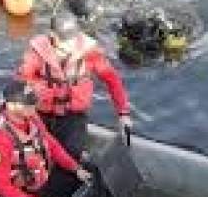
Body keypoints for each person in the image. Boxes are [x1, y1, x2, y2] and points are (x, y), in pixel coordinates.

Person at [15, 9, 132, 161]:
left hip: (73, 115)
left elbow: (112, 80)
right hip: (40, 112)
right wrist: (40, 94)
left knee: (72, 152)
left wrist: (123, 113)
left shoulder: (90, 54)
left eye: (72, 40)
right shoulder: (37, 53)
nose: (69, 45)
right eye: (64, 41)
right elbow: (21, 82)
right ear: (52, 36)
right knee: (36, 152)